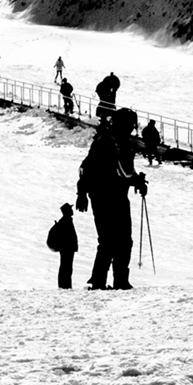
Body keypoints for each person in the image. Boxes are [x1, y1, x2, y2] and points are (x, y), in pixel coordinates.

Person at [76, 108, 148, 290]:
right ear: (119, 123)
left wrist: (137, 181)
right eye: (129, 124)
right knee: (109, 240)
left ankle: (119, 280)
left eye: (132, 124)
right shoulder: (106, 142)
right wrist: (81, 193)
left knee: (122, 240)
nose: (131, 128)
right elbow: (89, 169)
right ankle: (101, 281)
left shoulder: (123, 142)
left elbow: (125, 171)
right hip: (102, 196)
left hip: (117, 196)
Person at [46, 203, 79, 289]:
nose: (72, 210)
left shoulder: (66, 220)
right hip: (67, 248)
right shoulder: (65, 221)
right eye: (70, 209)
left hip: (67, 248)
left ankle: (65, 286)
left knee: (66, 267)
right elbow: (67, 237)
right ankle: (65, 286)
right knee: (66, 268)